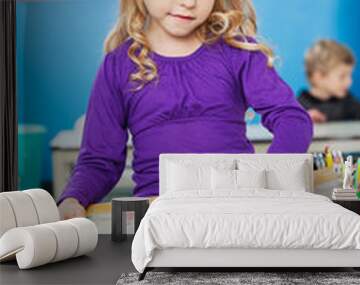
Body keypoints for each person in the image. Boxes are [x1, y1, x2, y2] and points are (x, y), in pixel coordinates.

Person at [57, 0, 313, 219]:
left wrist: (268, 178)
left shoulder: (238, 52)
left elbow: (292, 119)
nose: (190, 2)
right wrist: (74, 198)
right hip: (158, 215)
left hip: (236, 211)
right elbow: (100, 160)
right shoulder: (118, 66)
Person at [298, 39, 360, 126]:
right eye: (342, 76)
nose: (349, 82)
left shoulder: (347, 102)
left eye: (350, 75)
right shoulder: (298, 106)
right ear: (319, 76)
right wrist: (304, 118)